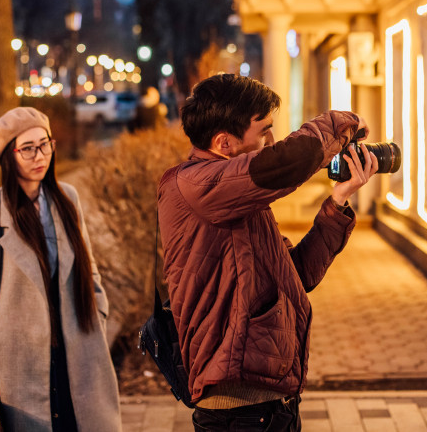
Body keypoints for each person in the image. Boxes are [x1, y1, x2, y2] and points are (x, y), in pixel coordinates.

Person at [157, 74, 379, 431]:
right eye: (264, 131)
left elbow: (298, 275)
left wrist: (338, 202)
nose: (272, 142)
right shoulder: (195, 185)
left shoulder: (235, 198)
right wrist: (343, 123)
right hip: (239, 412)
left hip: (270, 405)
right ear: (224, 142)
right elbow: (287, 161)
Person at [0, 107, 122, 432]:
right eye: (28, 148)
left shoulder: (67, 198)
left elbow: (89, 267)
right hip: (18, 359)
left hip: (77, 346)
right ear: (9, 156)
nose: (39, 156)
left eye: (44, 144)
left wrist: (98, 316)